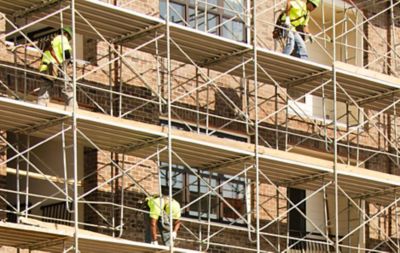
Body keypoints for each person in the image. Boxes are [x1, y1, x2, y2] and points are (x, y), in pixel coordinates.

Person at [37, 26, 73, 107]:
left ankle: (41, 103)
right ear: (66, 34)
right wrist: (68, 60)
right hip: (54, 66)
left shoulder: (52, 41)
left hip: (45, 67)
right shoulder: (62, 38)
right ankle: (72, 106)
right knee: (68, 86)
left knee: (45, 87)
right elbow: (66, 51)